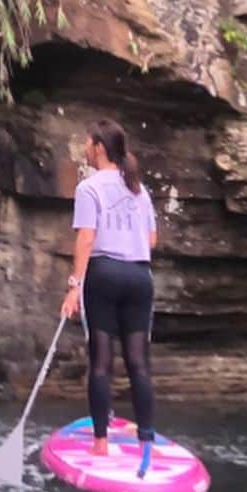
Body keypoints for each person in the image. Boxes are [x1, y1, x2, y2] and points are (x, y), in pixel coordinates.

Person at [60, 118, 157, 457]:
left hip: (104, 274)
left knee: (101, 362)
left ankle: (100, 444)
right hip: (139, 276)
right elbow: (152, 239)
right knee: (138, 363)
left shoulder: (89, 188)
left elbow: (86, 239)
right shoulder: (138, 189)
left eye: (87, 142)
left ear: (99, 147)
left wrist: (75, 287)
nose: (85, 148)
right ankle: (146, 440)